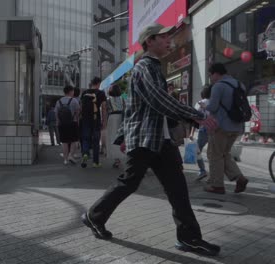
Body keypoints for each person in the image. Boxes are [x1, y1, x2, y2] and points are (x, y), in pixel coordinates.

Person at [81, 23, 221, 256]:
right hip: (146, 139)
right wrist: (197, 115)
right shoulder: (144, 67)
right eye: (164, 37)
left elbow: (156, 104)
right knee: (129, 183)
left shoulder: (154, 67)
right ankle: (93, 216)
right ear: (149, 41)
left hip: (160, 139)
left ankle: (189, 238)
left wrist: (191, 118)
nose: (169, 41)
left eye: (169, 37)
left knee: (177, 189)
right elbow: (158, 100)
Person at [204, 63, 249, 194]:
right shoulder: (240, 84)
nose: (210, 78)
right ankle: (240, 178)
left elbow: (212, 107)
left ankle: (217, 185)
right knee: (225, 154)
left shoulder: (218, 86)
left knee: (215, 155)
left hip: (221, 126)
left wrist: (204, 106)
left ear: (216, 73)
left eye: (210, 75)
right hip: (237, 126)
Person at [80, 77, 107, 168]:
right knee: (96, 140)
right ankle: (95, 162)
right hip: (96, 119)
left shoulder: (84, 92)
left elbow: (81, 107)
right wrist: (104, 120)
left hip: (85, 119)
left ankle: (85, 153)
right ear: (99, 83)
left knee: (86, 138)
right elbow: (103, 108)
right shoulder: (101, 93)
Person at [190, 85, 212, 181]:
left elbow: (195, 118)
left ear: (202, 94)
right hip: (215, 130)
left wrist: (191, 132)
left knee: (196, 150)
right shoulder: (214, 103)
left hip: (203, 130)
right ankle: (214, 174)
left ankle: (202, 170)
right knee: (213, 153)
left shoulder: (199, 103)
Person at [55, 85, 80, 165]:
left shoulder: (59, 101)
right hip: (73, 123)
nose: (73, 92)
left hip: (62, 124)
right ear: (70, 91)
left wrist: (58, 122)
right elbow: (78, 112)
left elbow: (56, 113)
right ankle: (71, 155)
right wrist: (77, 120)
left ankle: (65, 160)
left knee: (64, 142)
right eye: (72, 91)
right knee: (74, 140)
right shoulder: (74, 101)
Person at [106, 84, 125, 168]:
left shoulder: (108, 100)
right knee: (120, 137)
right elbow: (125, 109)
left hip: (112, 118)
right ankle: (121, 155)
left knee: (112, 137)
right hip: (121, 118)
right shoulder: (122, 99)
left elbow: (106, 110)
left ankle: (117, 159)